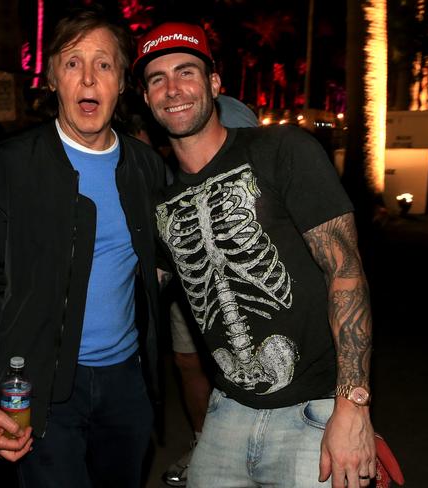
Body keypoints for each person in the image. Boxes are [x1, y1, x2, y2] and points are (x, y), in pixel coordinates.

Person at [134, 22, 376, 488]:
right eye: (157, 79)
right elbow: (134, 289)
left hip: (316, 411)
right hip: (225, 411)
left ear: (214, 84)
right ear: (146, 99)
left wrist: (353, 407)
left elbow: (346, 272)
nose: (172, 89)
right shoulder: (160, 204)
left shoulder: (282, 150)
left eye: (186, 72)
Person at [0, 7, 165, 488]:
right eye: (72, 63)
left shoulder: (146, 169)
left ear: (122, 83)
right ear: (52, 79)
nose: (88, 77)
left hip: (127, 386)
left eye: (103, 64)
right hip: (40, 387)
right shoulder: (6, 167)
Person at [162, 94, 259, 487]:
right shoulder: (172, 122)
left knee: (244, 360)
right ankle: (203, 441)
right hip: (189, 272)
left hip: (244, 258)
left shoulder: (237, 113)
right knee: (189, 361)